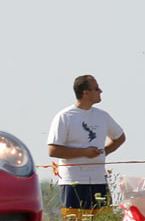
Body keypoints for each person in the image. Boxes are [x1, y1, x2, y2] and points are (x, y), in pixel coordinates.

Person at [47, 75, 126, 212]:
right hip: (72, 182)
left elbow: (119, 137)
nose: (100, 91)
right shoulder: (64, 117)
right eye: (96, 88)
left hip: (99, 181)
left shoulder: (103, 116)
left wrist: (104, 152)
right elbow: (53, 150)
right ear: (86, 93)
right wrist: (84, 152)